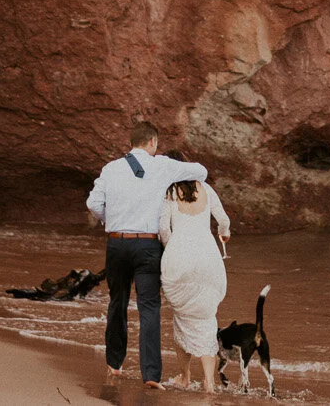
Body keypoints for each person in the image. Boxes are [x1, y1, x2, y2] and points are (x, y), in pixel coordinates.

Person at [86, 120, 207, 389]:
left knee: (117, 302)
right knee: (149, 307)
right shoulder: (162, 165)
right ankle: (151, 375)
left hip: (117, 243)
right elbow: (202, 171)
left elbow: (93, 203)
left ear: (131, 143)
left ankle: (114, 364)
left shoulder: (111, 168)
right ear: (152, 142)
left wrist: (112, 221)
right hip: (148, 246)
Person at [157, 172, 231, 392]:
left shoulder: (170, 192)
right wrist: (223, 234)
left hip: (180, 258)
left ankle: (185, 376)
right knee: (207, 318)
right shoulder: (206, 189)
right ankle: (209, 382)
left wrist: (172, 248)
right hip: (209, 258)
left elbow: (162, 229)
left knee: (182, 317)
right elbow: (224, 220)